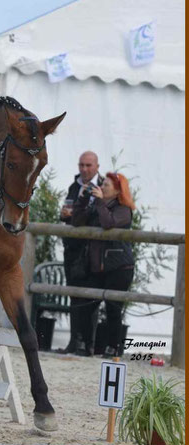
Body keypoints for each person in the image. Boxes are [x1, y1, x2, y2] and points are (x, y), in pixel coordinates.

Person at [71, 172, 136, 357]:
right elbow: (76, 221)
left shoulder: (124, 209)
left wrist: (98, 202)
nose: (102, 187)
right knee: (86, 303)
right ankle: (85, 345)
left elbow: (108, 223)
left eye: (106, 185)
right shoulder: (97, 205)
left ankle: (113, 347)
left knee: (113, 309)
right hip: (97, 267)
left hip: (119, 268)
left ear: (117, 190)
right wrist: (83, 199)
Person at [58, 151, 104, 354]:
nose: (84, 169)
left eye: (88, 165)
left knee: (91, 297)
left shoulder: (104, 185)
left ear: (97, 166)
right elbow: (70, 211)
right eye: (81, 165)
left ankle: (89, 343)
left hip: (93, 249)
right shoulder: (74, 185)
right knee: (74, 295)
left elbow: (98, 215)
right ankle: (74, 341)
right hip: (74, 249)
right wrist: (65, 214)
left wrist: (75, 213)